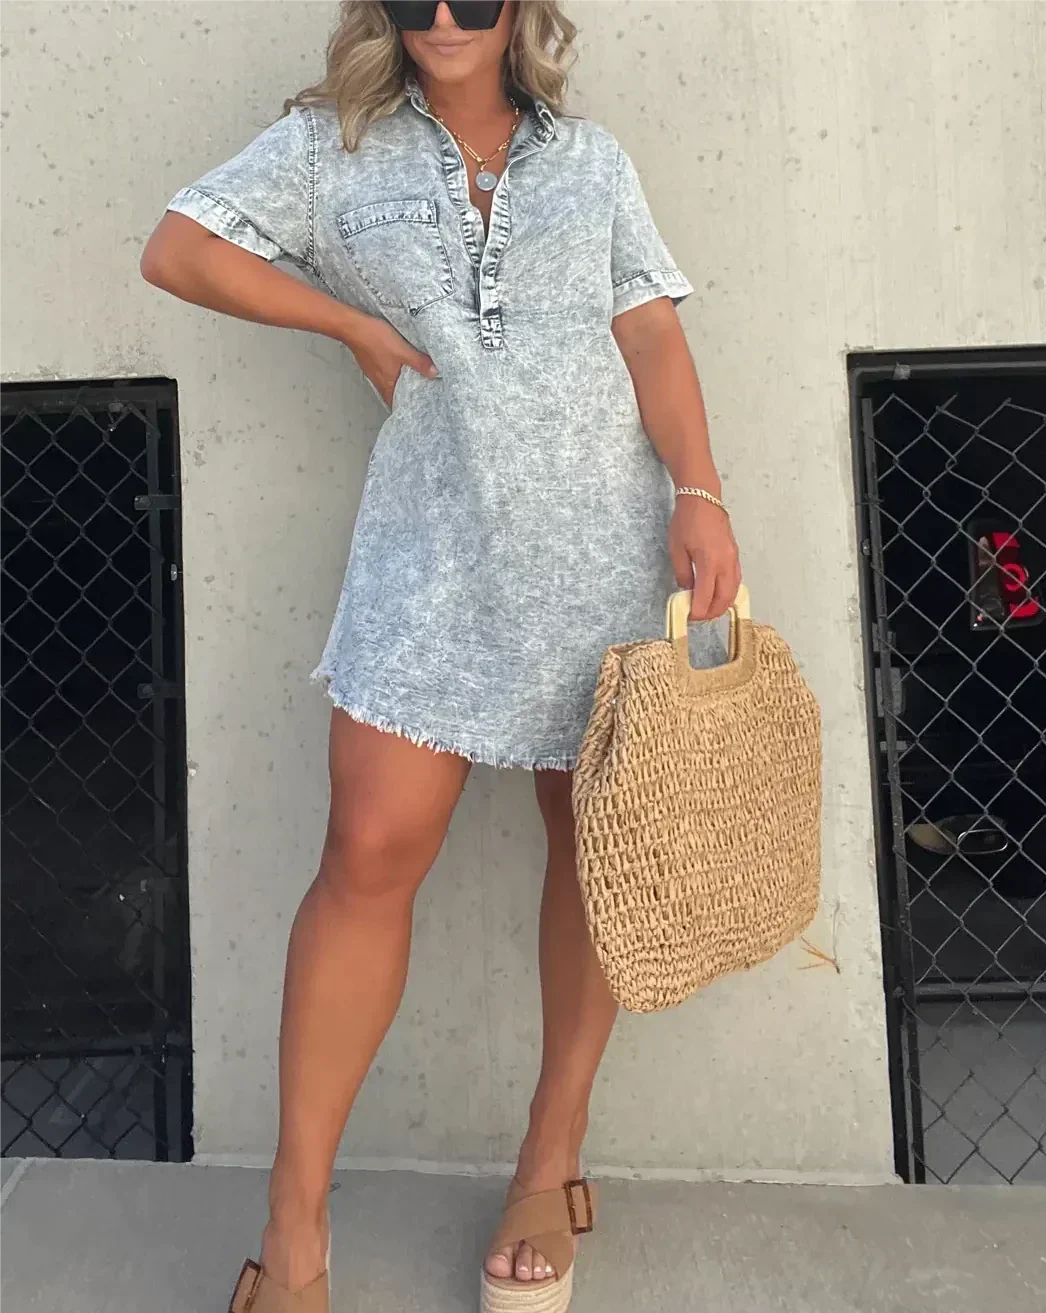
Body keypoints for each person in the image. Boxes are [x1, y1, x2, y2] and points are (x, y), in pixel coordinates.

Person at [141, 1, 741, 1309]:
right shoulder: (333, 147)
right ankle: (295, 1226)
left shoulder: (590, 160)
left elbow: (648, 330)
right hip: (433, 547)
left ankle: (550, 1157)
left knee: (596, 846)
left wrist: (700, 494)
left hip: (605, 548)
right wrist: (351, 326)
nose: (448, 17)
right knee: (366, 854)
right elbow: (179, 252)